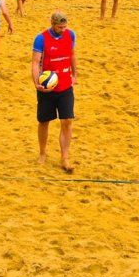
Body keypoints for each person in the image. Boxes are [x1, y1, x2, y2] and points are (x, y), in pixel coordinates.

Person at [32, 11, 78, 173]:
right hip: (47, 88)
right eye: (60, 27)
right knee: (44, 121)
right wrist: (37, 83)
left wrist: (75, 74)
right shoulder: (41, 38)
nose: (63, 29)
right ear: (52, 23)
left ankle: (65, 157)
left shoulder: (70, 35)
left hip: (65, 86)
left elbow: (72, 55)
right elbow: (35, 63)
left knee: (67, 121)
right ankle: (43, 152)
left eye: (65, 27)